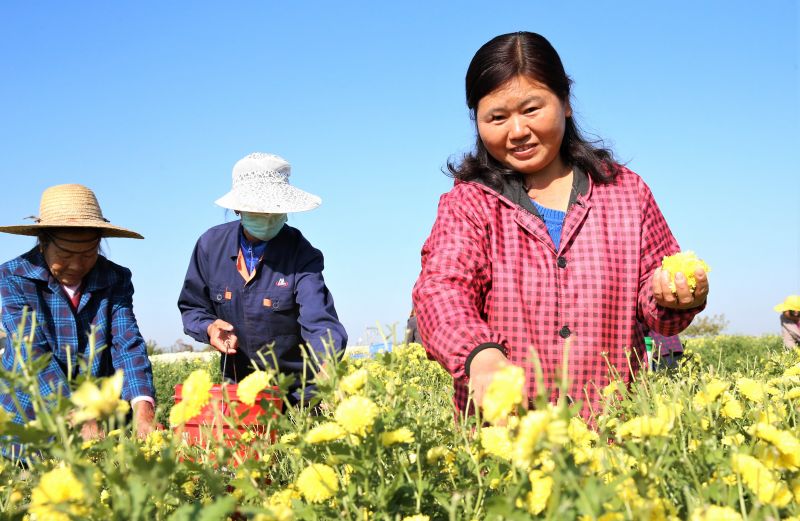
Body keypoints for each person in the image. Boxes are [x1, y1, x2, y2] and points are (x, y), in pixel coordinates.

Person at [412, 32, 709, 421]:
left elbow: (657, 306)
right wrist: (479, 355)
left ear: (565, 103)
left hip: (609, 441)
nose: (516, 131)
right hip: (506, 448)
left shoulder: (625, 192)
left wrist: (677, 295)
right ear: (478, 121)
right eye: (497, 117)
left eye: (531, 109)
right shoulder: (470, 202)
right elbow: (442, 290)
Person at [178, 153, 347, 405]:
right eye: (259, 207)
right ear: (238, 208)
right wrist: (210, 328)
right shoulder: (210, 247)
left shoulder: (301, 254)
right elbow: (192, 308)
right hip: (240, 394)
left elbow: (319, 319)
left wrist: (327, 365)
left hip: (297, 394)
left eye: (274, 207)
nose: (268, 214)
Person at [0, 184, 156, 450]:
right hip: (32, 426)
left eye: (88, 255)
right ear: (43, 243)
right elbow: (31, 353)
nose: (76, 265)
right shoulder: (13, 277)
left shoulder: (115, 278)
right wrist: (78, 414)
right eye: (64, 255)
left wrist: (144, 408)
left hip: (101, 423)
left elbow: (127, 345)